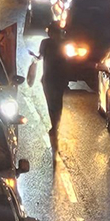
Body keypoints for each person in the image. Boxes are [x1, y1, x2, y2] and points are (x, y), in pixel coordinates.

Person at [37, 23, 68, 152]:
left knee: (56, 104)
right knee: (53, 104)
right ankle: (55, 126)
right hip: (50, 79)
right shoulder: (47, 43)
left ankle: (55, 126)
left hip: (55, 79)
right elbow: (41, 56)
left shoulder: (60, 45)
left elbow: (66, 62)